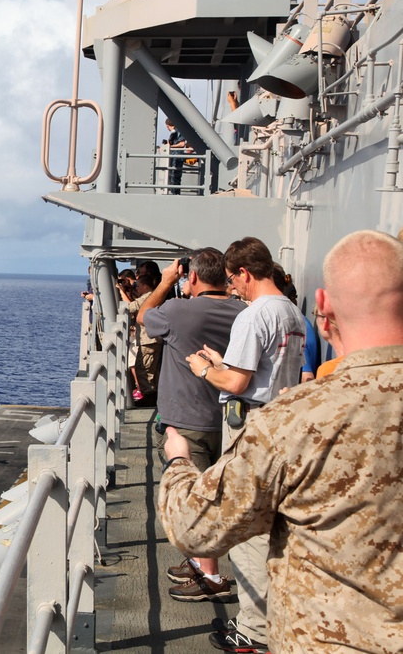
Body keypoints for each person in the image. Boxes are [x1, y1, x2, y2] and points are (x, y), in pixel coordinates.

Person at [159, 230, 403, 653]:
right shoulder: (291, 312)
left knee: (254, 542)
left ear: (324, 307)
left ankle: (253, 630)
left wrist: (179, 461)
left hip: (325, 641)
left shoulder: (292, 419)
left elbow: (193, 527)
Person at [183, 236, 306, 653]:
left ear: (244, 273)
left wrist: (204, 369)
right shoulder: (292, 312)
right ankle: (274, 621)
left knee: (249, 531)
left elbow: (238, 383)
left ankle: (253, 630)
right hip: (282, 424)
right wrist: (224, 363)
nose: (232, 287)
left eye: (234, 280)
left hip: (249, 425)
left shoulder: (254, 316)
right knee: (274, 529)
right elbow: (270, 372)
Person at [137, 248, 245, 601]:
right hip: (229, 417)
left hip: (187, 419)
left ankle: (210, 578)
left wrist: (167, 281)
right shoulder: (241, 311)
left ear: (192, 276)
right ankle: (200, 564)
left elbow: (143, 315)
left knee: (197, 498)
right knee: (217, 493)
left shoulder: (178, 310)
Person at [128, 275, 162, 404]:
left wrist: (120, 290)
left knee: (144, 370)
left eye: (139, 285)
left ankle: (149, 398)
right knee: (149, 370)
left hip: (148, 339)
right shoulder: (153, 295)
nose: (137, 288)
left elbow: (131, 307)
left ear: (146, 286)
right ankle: (149, 396)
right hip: (150, 339)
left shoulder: (148, 297)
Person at [165, 119, 188, 195]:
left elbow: (182, 144)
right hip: (173, 157)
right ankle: (174, 193)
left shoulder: (178, 131)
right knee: (172, 178)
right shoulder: (174, 132)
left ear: (168, 126)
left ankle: (175, 194)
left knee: (175, 178)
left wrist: (171, 146)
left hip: (177, 157)